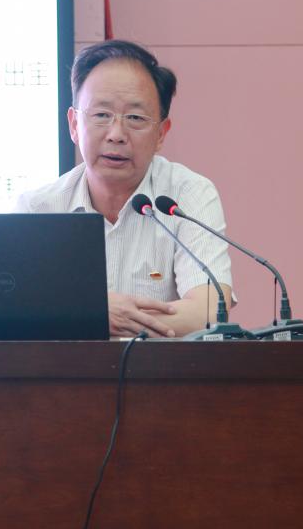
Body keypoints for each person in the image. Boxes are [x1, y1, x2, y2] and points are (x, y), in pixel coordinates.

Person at [15, 40, 234, 338]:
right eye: (101, 115)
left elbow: (208, 310)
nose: (116, 134)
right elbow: (16, 310)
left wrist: (95, 318)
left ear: (161, 133)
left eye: (135, 118)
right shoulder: (38, 209)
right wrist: (95, 314)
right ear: (74, 125)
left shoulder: (187, 196)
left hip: (158, 368)